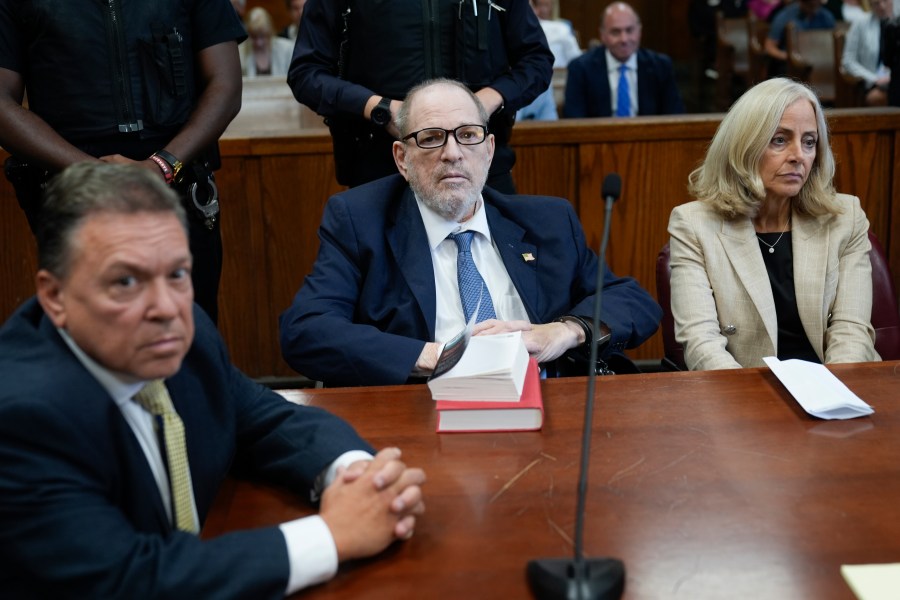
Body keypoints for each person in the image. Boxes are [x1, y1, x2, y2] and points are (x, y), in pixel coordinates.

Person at [0, 162, 426, 597]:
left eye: (177, 274)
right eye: (126, 281)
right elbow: (128, 579)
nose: (166, 308)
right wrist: (332, 536)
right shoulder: (20, 419)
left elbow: (264, 418)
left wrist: (358, 477)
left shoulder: (186, 335)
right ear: (54, 297)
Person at [279, 79, 662, 387]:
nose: (452, 153)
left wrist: (562, 333)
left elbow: (633, 301)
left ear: (489, 149)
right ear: (402, 158)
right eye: (430, 138)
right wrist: (438, 356)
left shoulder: (548, 220)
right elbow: (306, 331)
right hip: (423, 418)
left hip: (546, 407)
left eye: (467, 135)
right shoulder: (360, 221)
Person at [0, 0, 244, 325]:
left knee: (186, 337)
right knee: (92, 339)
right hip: (75, 192)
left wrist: (162, 165)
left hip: (177, 185)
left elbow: (225, 84)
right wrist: (94, 174)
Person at [668, 78, 880, 370]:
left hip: (834, 389)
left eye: (809, 142)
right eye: (779, 140)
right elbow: (702, 344)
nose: (798, 156)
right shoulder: (693, 225)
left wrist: (834, 399)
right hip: (740, 394)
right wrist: (753, 411)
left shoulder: (845, 217)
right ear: (744, 147)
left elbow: (851, 332)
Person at [287, 0, 554, 193]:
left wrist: (485, 101)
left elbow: (536, 60)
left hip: (480, 170)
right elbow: (306, 73)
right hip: (381, 170)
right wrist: (378, 108)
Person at [563, 2, 685, 118]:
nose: (624, 39)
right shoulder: (580, 68)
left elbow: (675, 116)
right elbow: (574, 121)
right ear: (602, 35)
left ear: (639, 32)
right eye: (615, 32)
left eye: (630, 30)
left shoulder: (661, 66)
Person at [517, 0, 582, 122]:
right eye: (538, 6)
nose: (542, 10)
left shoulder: (561, 28)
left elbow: (550, 129)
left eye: (546, 5)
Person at [764, 0, 836, 77]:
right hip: (790, 65)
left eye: (817, 3)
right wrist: (788, 56)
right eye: (810, 4)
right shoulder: (785, 16)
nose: (814, 6)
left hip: (821, 63)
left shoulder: (827, 17)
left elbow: (831, 43)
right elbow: (769, 46)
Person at [842, 0, 892, 106]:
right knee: (877, 97)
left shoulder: (897, 22)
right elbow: (848, 61)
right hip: (871, 82)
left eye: (885, 1)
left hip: (894, 80)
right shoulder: (860, 23)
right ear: (870, 4)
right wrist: (874, 79)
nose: (882, 6)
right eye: (877, 3)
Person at [240, 6, 296, 78]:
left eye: (263, 36)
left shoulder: (287, 49)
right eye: (254, 37)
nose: (259, 43)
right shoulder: (240, 53)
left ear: (270, 32)